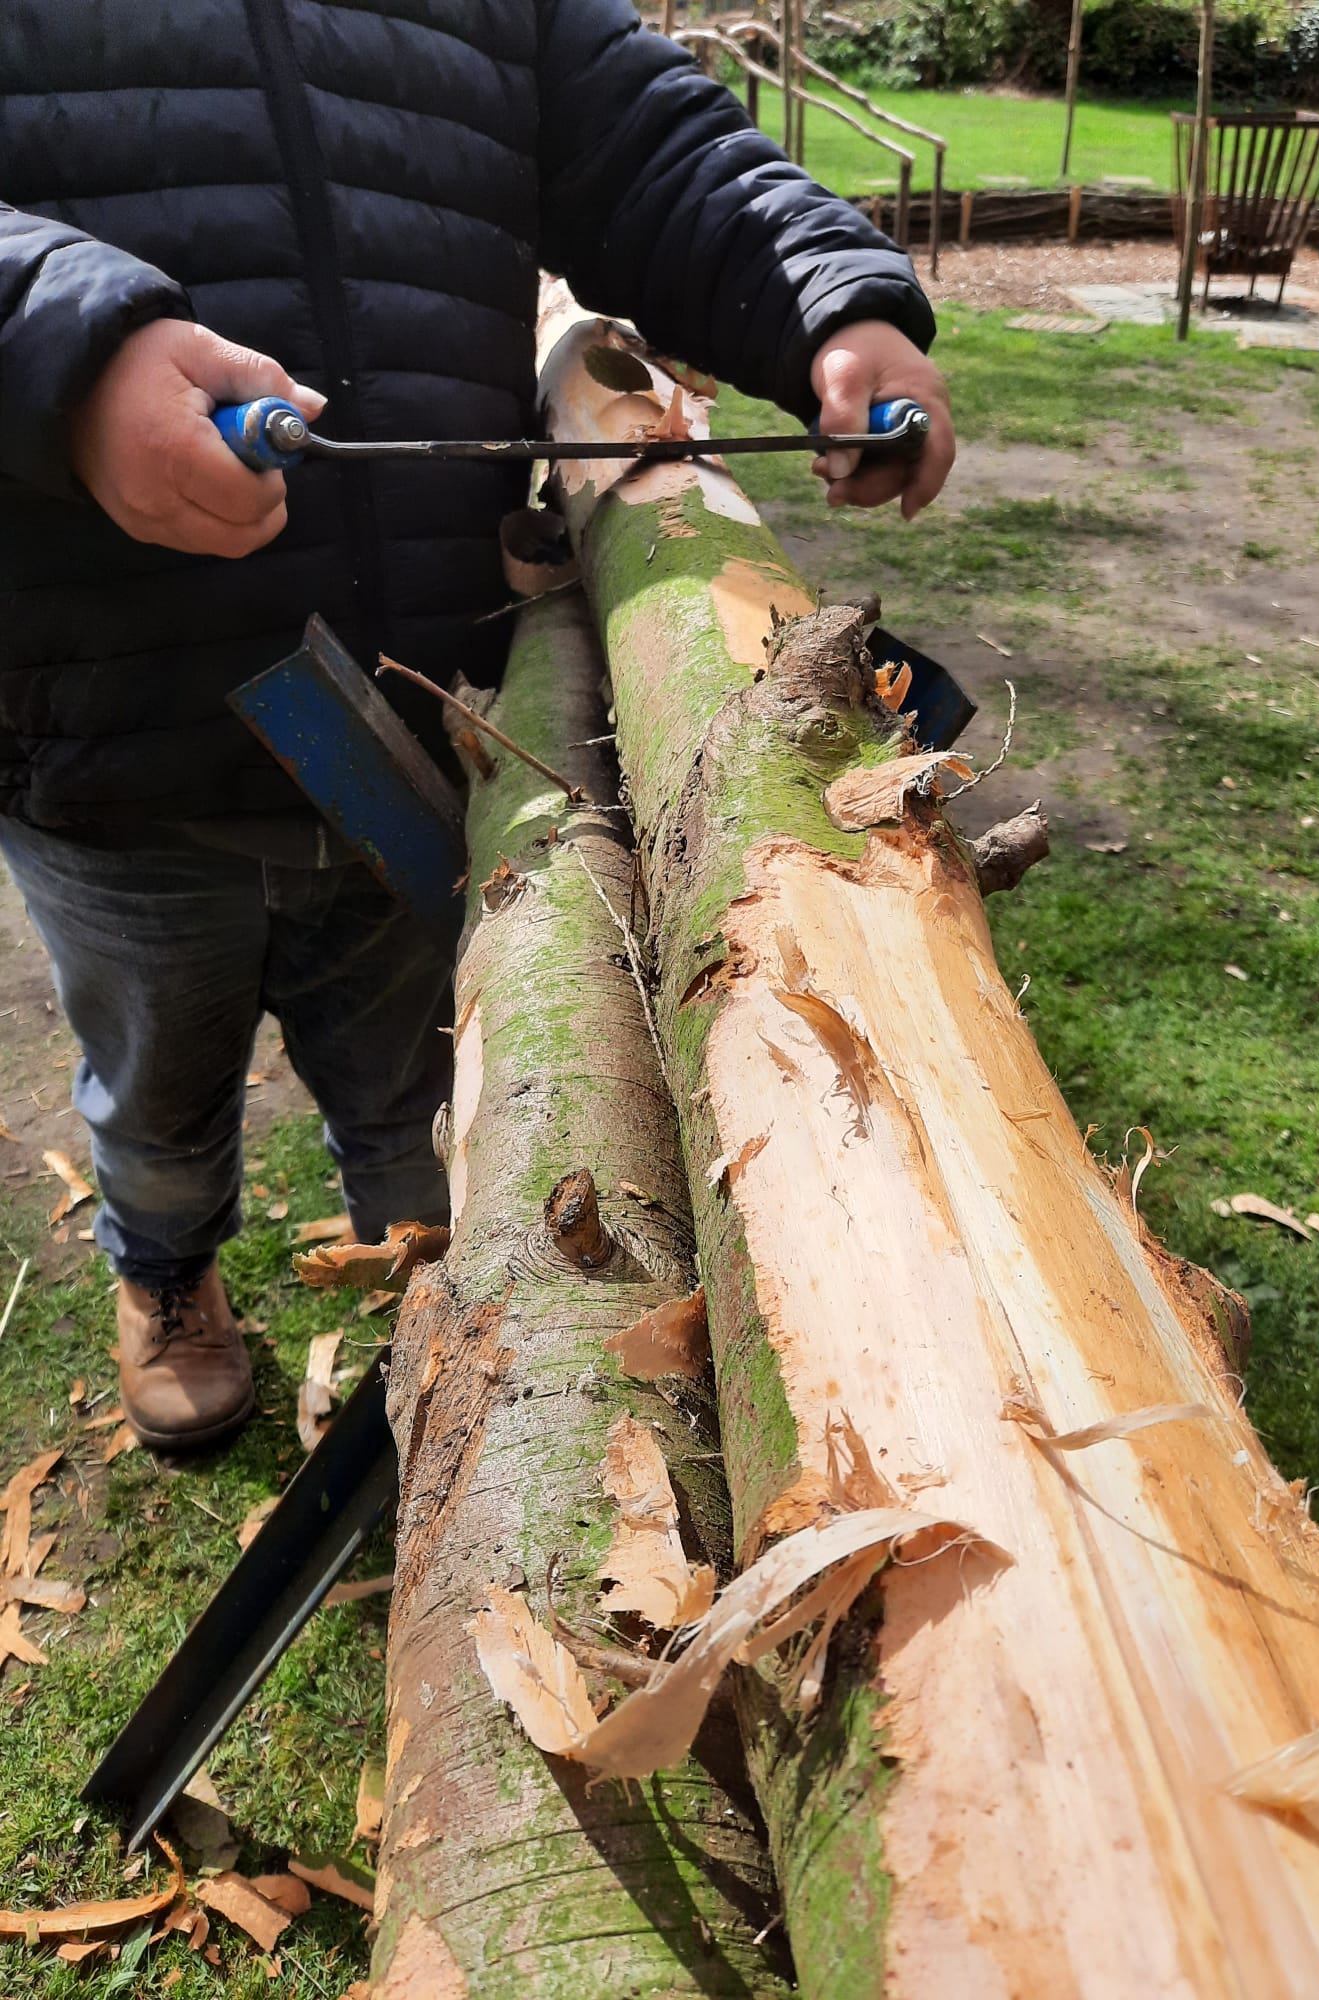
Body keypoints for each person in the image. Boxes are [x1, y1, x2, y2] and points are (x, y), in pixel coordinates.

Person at [0, 0, 954, 1451]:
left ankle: (444, 1299)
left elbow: (652, 149)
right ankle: (167, 1272)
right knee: (156, 1085)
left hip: (419, 711)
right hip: (115, 739)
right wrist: (64, 356)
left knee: (424, 1064)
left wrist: (835, 298)